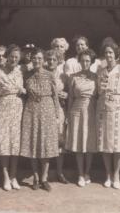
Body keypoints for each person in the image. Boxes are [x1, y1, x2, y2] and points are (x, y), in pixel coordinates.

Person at [20, 48, 60, 192]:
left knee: (46, 145)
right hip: (31, 111)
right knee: (33, 144)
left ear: (43, 60)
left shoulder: (50, 75)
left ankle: (44, 178)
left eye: (39, 58)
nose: (37, 61)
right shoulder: (26, 75)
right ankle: (36, 177)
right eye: (34, 58)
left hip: (47, 110)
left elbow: (55, 96)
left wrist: (57, 114)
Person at [96, 42, 120, 189]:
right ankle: (108, 174)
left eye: (111, 52)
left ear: (115, 54)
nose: (108, 55)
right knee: (105, 143)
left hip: (118, 108)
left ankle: (116, 174)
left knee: (117, 145)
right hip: (103, 108)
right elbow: (98, 92)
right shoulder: (101, 71)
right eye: (106, 53)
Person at [65, 48, 98, 187]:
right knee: (79, 143)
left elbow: (97, 97)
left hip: (91, 110)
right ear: (79, 62)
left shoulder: (95, 76)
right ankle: (80, 174)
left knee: (89, 143)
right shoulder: (73, 77)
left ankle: (87, 172)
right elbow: (71, 98)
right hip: (77, 110)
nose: (85, 63)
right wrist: (68, 114)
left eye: (88, 61)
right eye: (83, 61)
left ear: (91, 62)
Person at [0, 44, 26, 191]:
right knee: (4, 142)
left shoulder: (19, 72)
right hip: (3, 107)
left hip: (17, 108)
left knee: (15, 143)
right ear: (6, 57)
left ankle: (13, 176)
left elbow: (22, 90)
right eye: (11, 57)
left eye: (16, 57)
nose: (13, 59)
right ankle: (5, 176)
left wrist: (21, 90)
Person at [45, 49, 70, 184]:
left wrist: (66, 95)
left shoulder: (63, 76)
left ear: (58, 60)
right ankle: (46, 173)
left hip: (60, 110)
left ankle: (59, 172)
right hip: (46, 110)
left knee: (60, 141)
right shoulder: (42, 74)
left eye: (54, 59)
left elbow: (70, 93)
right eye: (49, 59)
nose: (51, 62)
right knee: (47, 141)